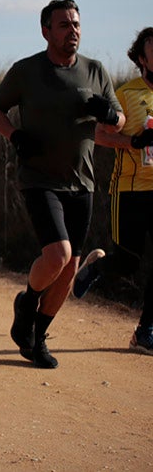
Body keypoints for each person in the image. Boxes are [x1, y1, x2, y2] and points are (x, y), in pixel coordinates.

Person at [0, 0, 124, 369]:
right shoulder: (26, 71)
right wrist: (14, 136)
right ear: (46, 30)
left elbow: (118, 122)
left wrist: (110, 114)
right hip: (39, 178)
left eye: (76, 24)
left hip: (82, 181)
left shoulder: (95, 70)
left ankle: (39, 335)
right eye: (64, 25)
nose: (73, 30)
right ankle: (27, 301)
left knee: (68, 267)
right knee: (58, 254)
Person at [73, 26, 153, 355]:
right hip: (131, 190)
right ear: (141, 58)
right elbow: (100, 135)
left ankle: (145, 331)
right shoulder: (127, 94)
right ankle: (97, 266)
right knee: (128, 262)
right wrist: (134, 142)